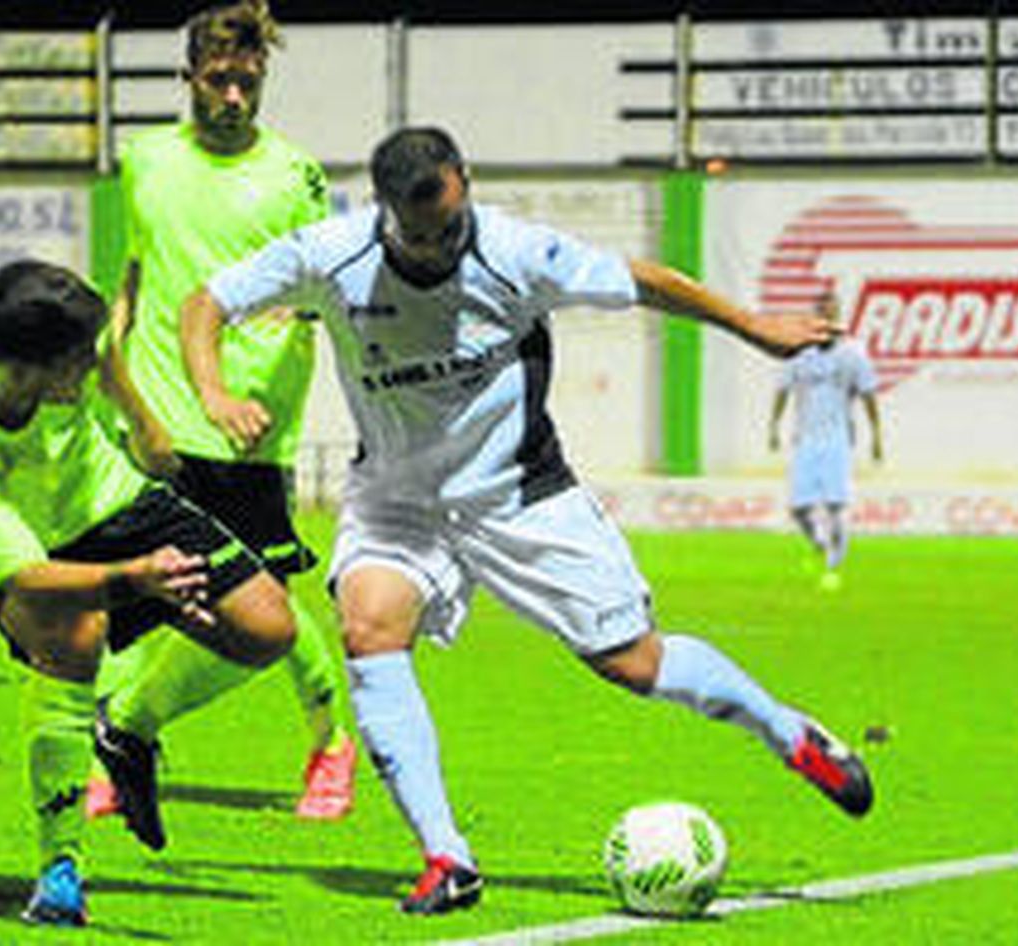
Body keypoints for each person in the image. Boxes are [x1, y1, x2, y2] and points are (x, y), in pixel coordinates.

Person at [180, 127, 877, 916]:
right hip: (398, 500)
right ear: (384, 215)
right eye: (421, 234)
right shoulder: (332, 253)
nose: (440, 245)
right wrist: (212, 393)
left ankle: (791, 735)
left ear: (464, 183)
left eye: (450, 223)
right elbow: (206, 303)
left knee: (634, 664)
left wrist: (754, 327)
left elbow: (642, 281)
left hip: (519, 493)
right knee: (369, 629)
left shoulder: (517, 251)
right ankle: (448, 856)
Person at [0, 260, 297, 926]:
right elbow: (27, 576)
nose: (87, 370)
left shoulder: (33, 331)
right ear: (29, 371)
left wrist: (141, 423)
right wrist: (136, 580)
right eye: (74, 365)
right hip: (0, 548)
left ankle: (128, 728)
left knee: (267, 628)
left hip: (104, 496)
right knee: (74, 633)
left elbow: (105, 348)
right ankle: (60, 869)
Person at [90, 0, 357, 827]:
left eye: (250, 80)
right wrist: (120, 381)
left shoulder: (295, 174)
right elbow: (133, 276)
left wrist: (297, 320)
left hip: (251, 418)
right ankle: (116, 749)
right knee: (138, 598)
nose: (236, 96)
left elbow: (328, 287)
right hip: (158, 416)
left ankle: (329, 741)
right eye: (220, 80)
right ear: (189, 78)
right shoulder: (143, 162)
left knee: (260, 592)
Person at [767, 293, 885, 592]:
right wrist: (774, 426)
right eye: (822, 313)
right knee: (799, 508)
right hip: (805, 437)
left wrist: (876, 435)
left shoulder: (853, 354)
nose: (827, 320)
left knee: (834, 505)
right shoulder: (799, 353)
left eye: (832, 313)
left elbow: (868, 394)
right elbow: (783, 390)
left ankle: (834, 563)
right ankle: (820, 543)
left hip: (837, 438)